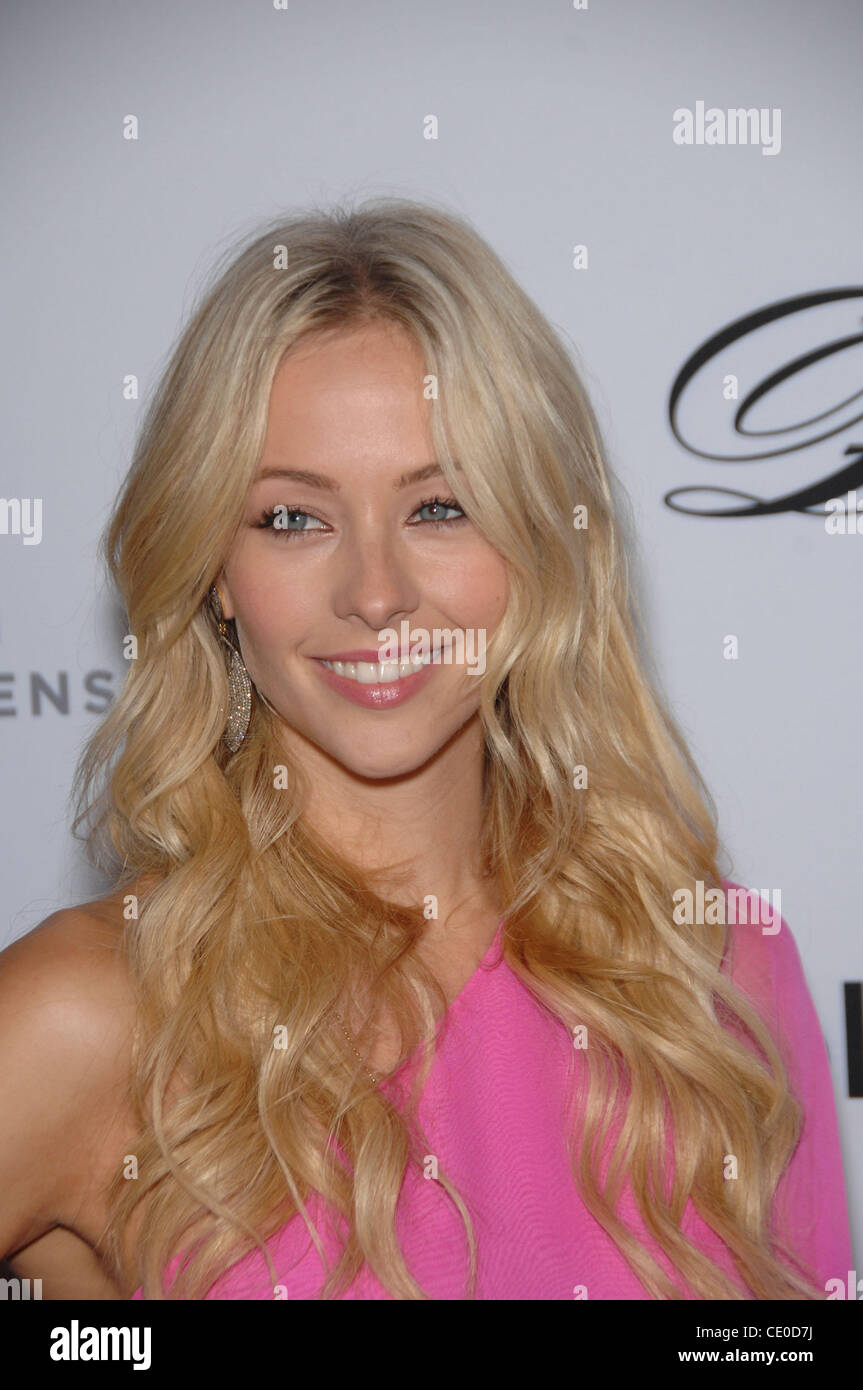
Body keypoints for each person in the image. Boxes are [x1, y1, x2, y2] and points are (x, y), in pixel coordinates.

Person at [0, 198, 851, 1300]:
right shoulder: (92, 1013)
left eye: (439, 505)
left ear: (540, 541)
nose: (375, 593)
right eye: (292, 519)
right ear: (211, 566)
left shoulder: (714, 973)